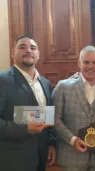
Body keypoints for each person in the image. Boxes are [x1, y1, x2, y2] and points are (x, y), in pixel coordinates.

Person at [52, 46, 95, 171]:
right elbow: (54, 118)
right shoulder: (63, 87)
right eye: (86, 62)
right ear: (79, 63)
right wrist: (73, 140)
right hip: (71, 158)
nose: (90, 66)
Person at [0, 35, 56, 171]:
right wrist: (25, 129)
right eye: (22, 47)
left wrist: (51, 144)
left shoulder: (46, 83)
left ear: (38, 54)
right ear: (13, 53)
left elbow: (47, 117)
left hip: (41, 158)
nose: (28, 50)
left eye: (33, 48)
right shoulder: (2, 80)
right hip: (12, 160)